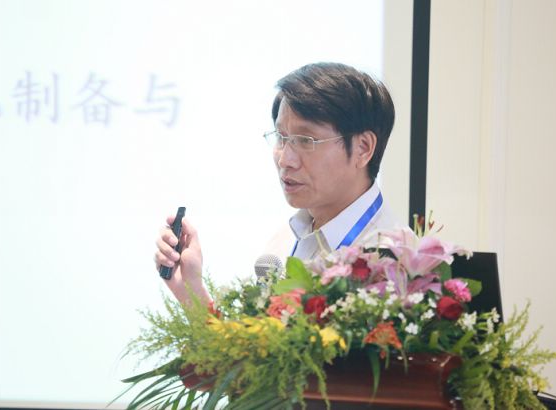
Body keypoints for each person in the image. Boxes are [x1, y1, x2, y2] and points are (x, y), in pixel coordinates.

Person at [155, 62, 406, 305]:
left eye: (305, 140)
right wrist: (191, 291)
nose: (285, 159)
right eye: (281, 137)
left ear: (363, 148)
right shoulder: (285, 240)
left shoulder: (393, 262)